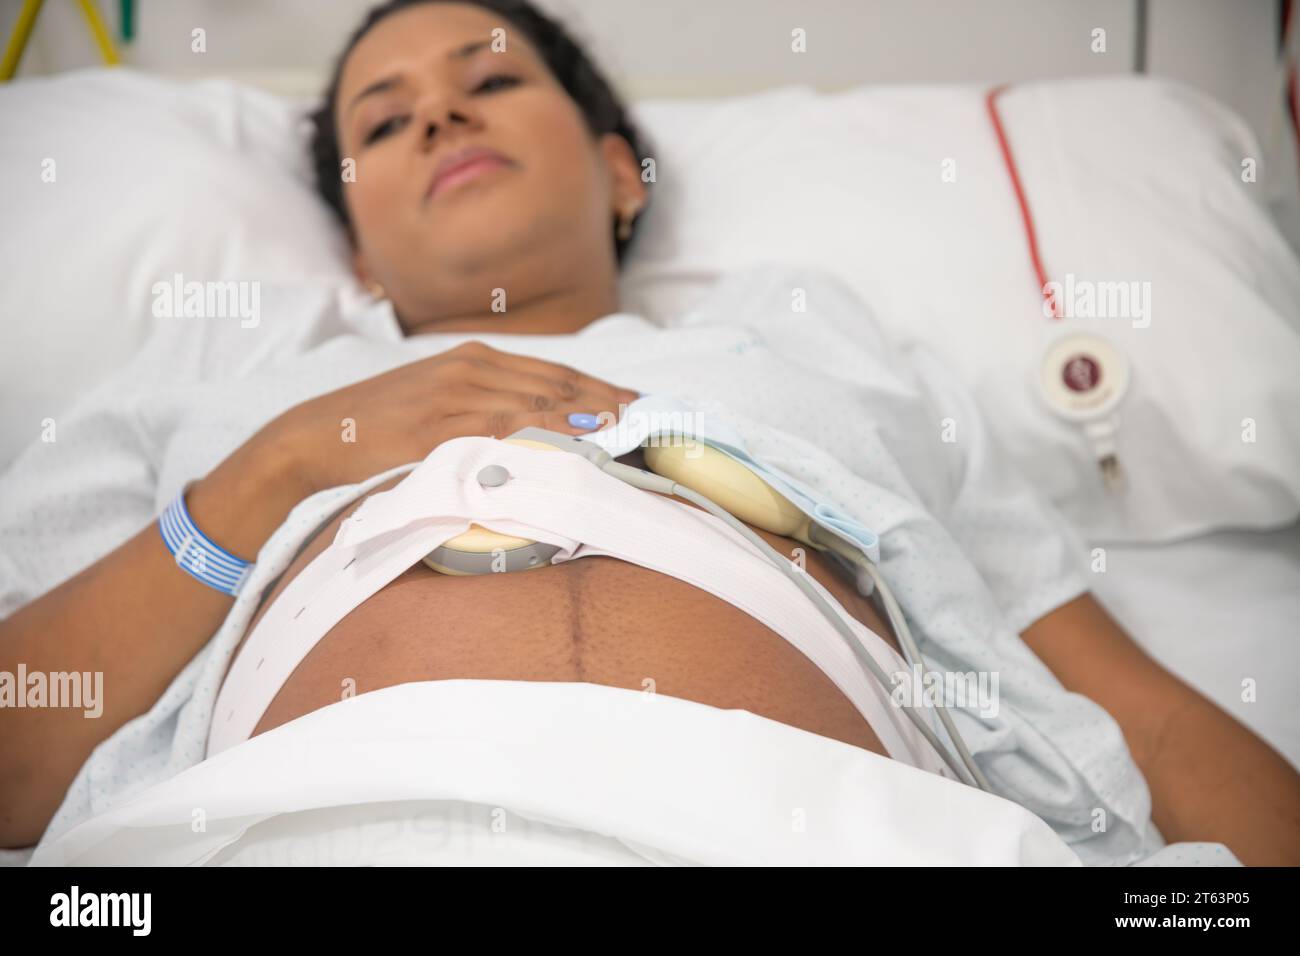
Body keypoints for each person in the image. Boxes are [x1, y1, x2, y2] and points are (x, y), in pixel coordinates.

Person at [1, 0, 1297, 865]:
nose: (439, 119)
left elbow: (1123, 701)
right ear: (355, 241)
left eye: (490, 81)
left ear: (623, 172)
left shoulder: (805, 341)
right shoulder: (233, 369)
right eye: (382, 122)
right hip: (306, 827)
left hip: (848, 829)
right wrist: (281, 464)